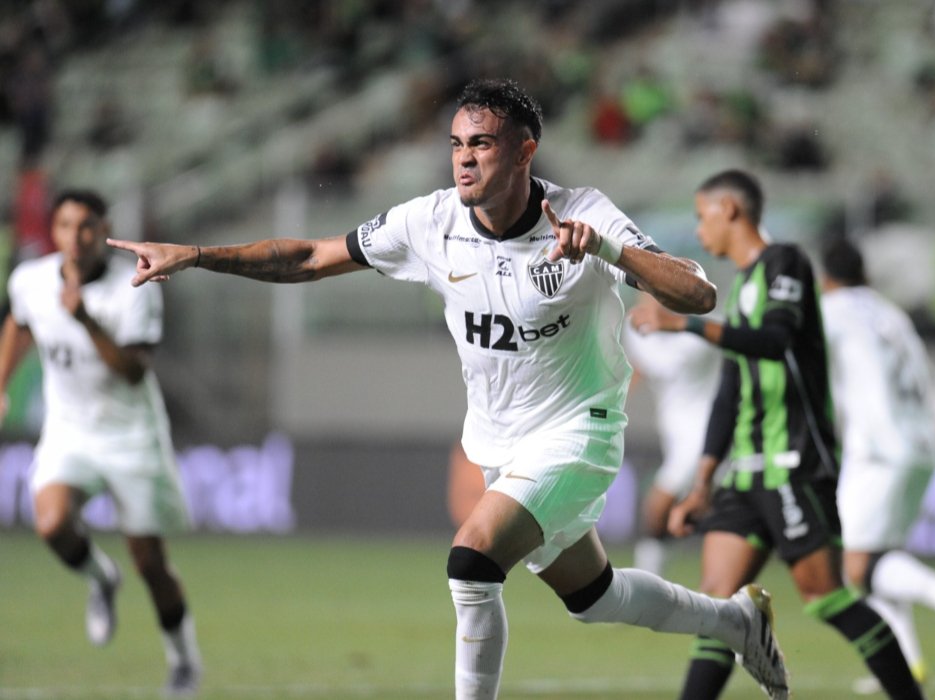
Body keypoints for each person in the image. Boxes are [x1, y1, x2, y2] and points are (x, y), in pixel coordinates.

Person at [107, 79, 790, 700]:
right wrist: (195, 254)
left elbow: (697, 293)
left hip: (580, 432)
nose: (463, 159)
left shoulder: (583, 215)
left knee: (471, 561)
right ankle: (736, 621)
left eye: (482, 144)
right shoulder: (429, 222)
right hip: (501, 445)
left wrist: (607, 251)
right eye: (457, 144)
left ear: (525, 152)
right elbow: (312, 257)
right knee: (595, 598)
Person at [632, 169, 924, 699]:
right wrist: (701, 481)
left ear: (731, 211)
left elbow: (774, 340)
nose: (700, 233)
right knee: (717, 604)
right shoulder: (741, 287)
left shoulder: (785, 263)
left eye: (703, 218)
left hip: (794, 464)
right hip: (744, 473)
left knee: (827, 597)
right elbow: (728, 393)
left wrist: (687, 324)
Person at [0, 189, 202, 696]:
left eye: (87, 226)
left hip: (131, 435)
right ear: (55, 232)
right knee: (50, 524)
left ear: (103, 231)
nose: (77, 237)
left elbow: (133, 373)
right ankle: (100, 578)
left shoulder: (136, 283)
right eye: (66, 226)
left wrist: (84, 318)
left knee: (151, 564)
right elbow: (19, 324)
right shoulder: (30, 280)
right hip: (69, 430)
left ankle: (183, 661)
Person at [818, 237, 935, 694]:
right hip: (921, 442)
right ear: (865, 276)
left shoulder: (833, 309)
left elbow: (795, 348)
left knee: (853, 565)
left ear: (826, 280)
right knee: (876, 556)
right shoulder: (892, 314)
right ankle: (907, 664)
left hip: (879, 448)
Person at [623, 292, 721, 575]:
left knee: (659, 502)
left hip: (704, 430)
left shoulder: (700, 329)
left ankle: (646, 579)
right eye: (644, 290)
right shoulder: (635, 326)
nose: (648, 297)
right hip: (672, 431)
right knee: (710, 506)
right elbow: (637, 368)